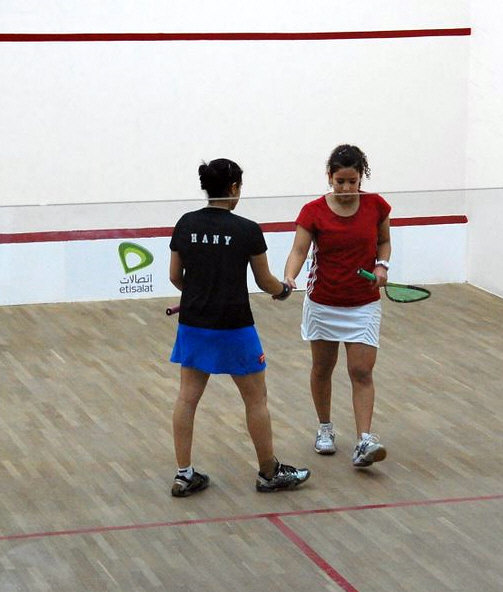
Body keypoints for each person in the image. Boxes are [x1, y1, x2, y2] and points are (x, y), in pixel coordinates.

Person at [169, 158, 311, 496]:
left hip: (194, 324)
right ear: (233, 188)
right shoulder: (247, 229)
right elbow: (264, 281)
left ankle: (184, 475)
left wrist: (199, 295)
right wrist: (283, 290)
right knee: (256, 399)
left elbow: (175, 276)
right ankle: (268, 473)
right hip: (235, 327)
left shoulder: (186, 223)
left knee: (187, 398)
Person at [283, 144, 391, 467]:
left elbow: (384, 241)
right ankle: (325, 428)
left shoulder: (376, 206)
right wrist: (289, 277)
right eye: (339, 181)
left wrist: (382, 265)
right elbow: (299, 251)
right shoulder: (313, 211)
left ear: (361, 178)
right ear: (329, 177)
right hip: (323, 302)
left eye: (352, 181)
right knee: (322, 368)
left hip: (363, 304)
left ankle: (364, 440)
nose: (345, 188)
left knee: (361, 371)